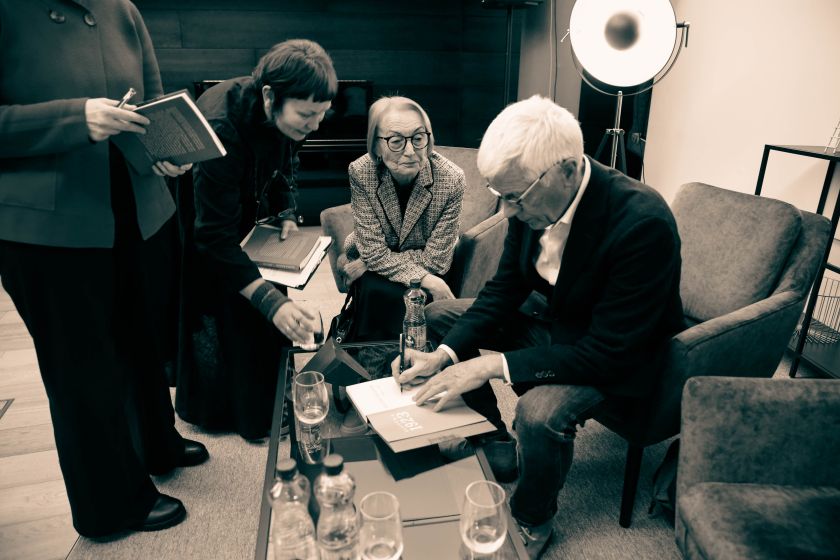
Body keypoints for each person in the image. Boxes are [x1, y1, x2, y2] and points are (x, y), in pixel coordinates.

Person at [392, 96, 685, 558]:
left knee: (537, 412)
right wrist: (444, 356)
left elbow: (609, 352)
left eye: (515, 198)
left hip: (619, 356)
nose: (507, 212)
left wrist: (490, 366)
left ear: (566, 170)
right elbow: (505, 288)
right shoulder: (531, 201)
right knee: (440, 319)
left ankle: (533, 517)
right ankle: (494, 439)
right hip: (559, 322)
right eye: (500, 196)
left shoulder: (642, 222)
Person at [0, 0, 208, 537]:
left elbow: (152, 105)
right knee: (82, 368)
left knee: (142, 340)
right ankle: (110, 505)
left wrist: (166, 149)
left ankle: (158, 443)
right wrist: (75, 118)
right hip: (47, 228)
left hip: (136, 209)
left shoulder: (122, 9)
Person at [175, 39, 335, 440]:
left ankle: (269, 398)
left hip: (251, 215)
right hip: (207, 222)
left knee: (270, 299)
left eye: (321, 115)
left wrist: (285, 211)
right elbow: (213, 236)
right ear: (269, 97)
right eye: (306, 115)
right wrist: (269, 302)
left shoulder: (291, 116)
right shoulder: (221, 127)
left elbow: (287, 159)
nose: (314, 126)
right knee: (229, 307)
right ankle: (226, 413)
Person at [336, 95, 465, 341]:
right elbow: (373, 252)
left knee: (401, 292)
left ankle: (415, 355)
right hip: (391, 265)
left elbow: (436, 262)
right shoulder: (361, 171)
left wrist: (371, 262)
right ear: (376, 146)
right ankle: (372, 357)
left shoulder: (451, 179)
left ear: (428, 140)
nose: (410, 152)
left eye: (418, 138)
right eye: (396, 141)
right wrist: (429, 281)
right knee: (373, 288)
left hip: (423, 266)